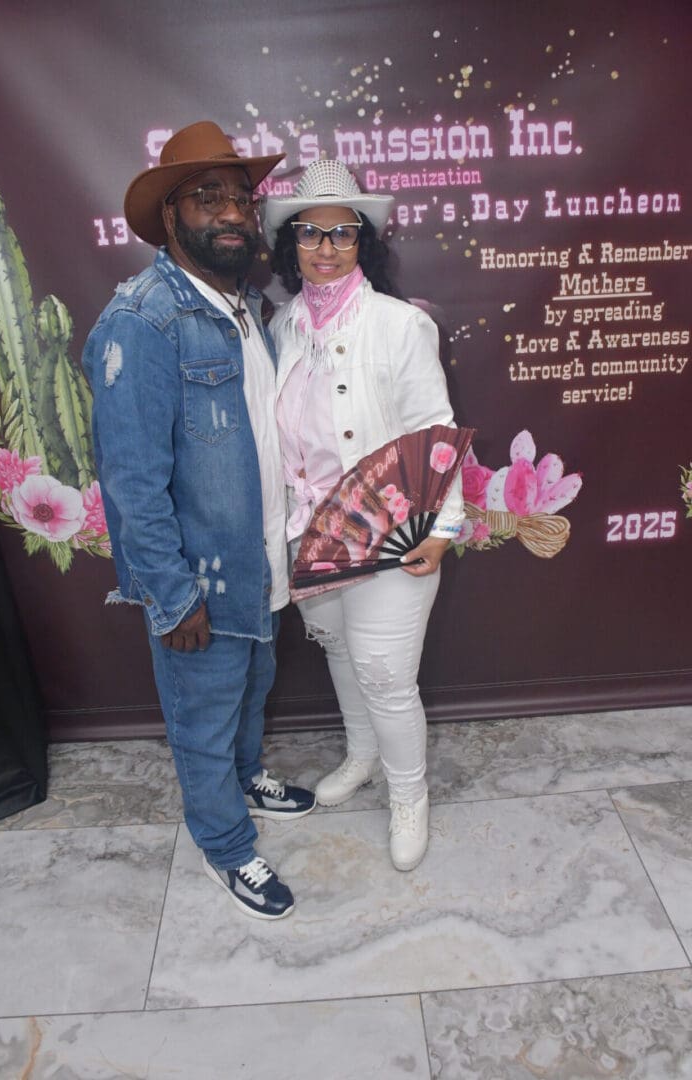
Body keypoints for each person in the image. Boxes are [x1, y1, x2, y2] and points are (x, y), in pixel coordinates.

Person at [83, 121, 315, 922]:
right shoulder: (142, 322)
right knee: (205, 717)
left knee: (251, 693)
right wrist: (169, 595)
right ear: (170, 215)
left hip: (259, 564)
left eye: (241, 199)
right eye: (206, 196)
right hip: (200, 581)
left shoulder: (243, 308)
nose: (231, 213)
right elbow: (131, 481)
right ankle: (226, 846)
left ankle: (249, 777)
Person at [261, 159, 465, 871]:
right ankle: (362, 756)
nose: (324, 247)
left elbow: (436, 429)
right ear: (291, 245)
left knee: (384, 671)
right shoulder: (280, 326)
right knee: (341, 652)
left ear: (362, 243)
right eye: (309, 233)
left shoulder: (399, 325)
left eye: (340, 234)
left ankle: (410, 795)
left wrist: (442, 529)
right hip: (312, 534)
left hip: (391, 533)